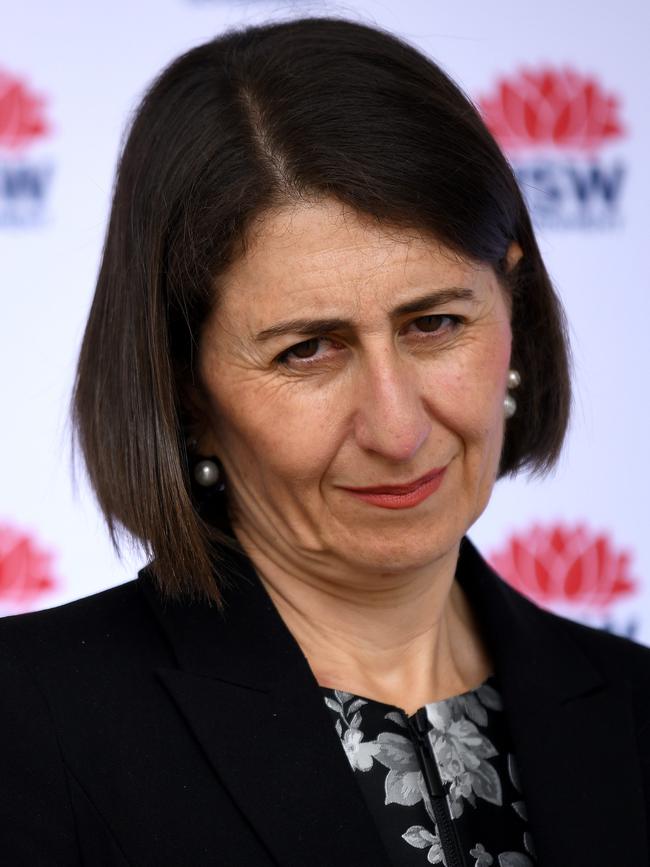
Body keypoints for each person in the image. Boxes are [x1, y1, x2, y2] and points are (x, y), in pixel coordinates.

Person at [1, 16, 649, 867]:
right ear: (184, 389)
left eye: (436, 323)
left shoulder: (637, 709)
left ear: (516, 315)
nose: (398, 426)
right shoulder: (27, 723)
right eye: (307, 349)